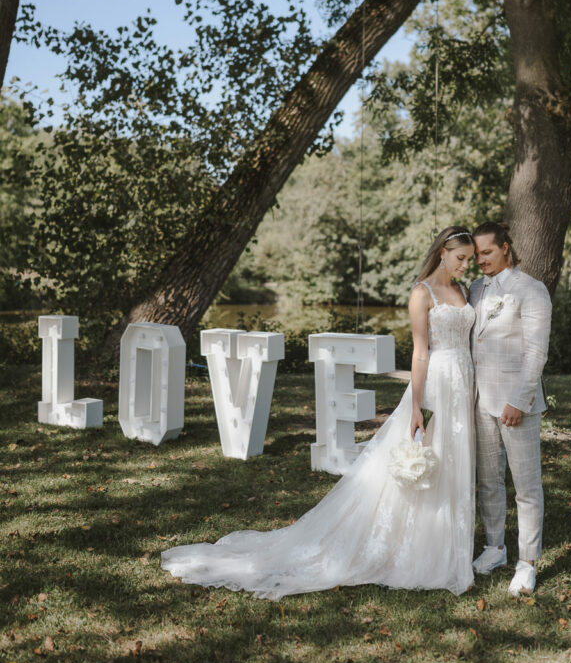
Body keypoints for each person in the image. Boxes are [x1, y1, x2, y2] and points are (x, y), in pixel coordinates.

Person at [161, 226, 477, 599]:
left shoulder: (464, 290)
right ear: (443, 252)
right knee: (426, 460)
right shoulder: (422, 294)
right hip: (438, 382)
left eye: (470, 260)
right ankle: (415, 548)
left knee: (454, 462)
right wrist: (415, 407)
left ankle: (448, 543)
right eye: (461, 258)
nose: (465, 265)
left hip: (464, 382)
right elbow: (420, 353)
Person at [469, 222, 552, 597]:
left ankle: (527, 562)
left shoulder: (531, 290)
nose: (480, 260)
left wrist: (519, 400)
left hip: (517, 403)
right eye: (476, 254)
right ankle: (495, 548)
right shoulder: (474, 290)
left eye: (487, 252)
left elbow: (536, 352)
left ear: (505, 248)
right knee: (488, 479)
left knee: (526, 486)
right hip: (480, 401)